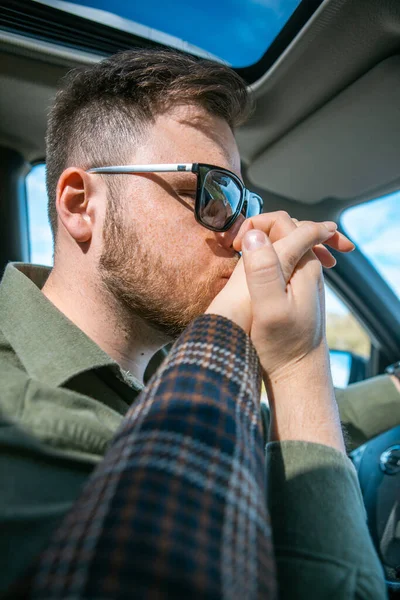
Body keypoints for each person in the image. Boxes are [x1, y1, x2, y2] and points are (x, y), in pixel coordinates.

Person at [0, 49, 385, 598]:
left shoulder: (156, 369)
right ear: (81, 204)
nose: (241, 231)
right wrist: (299, 363)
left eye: (242, 202)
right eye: (214, 193)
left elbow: (253, 426)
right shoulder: (20, 422)